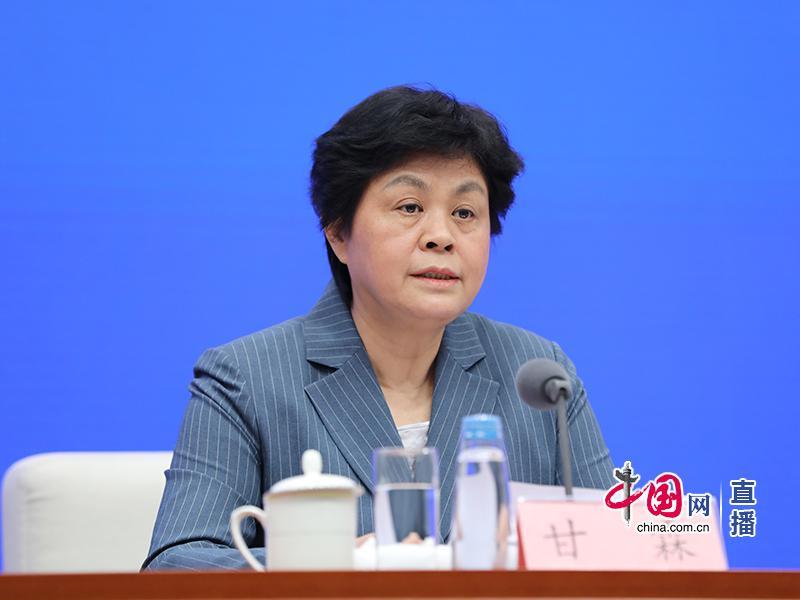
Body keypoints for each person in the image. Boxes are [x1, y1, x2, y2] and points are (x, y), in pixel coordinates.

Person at [142, 86, 614, 571]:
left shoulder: (540, 377)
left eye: (465, 213)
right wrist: (336, 564)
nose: (441, 236)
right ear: (338, 232)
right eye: (409, 207)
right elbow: (176, 565)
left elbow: (616, 554)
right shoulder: (246, 379)